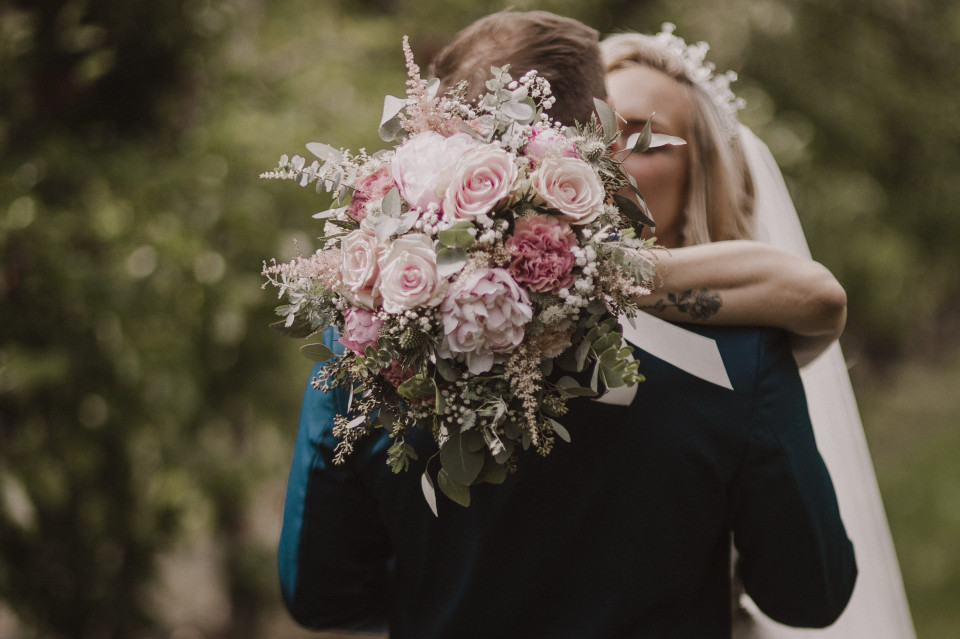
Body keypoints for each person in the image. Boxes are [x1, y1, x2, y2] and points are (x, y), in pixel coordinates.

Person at [278, 11, 857, 638]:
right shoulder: (738, 353)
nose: (621, 152)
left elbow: (321, 595)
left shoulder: (369, 340)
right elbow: (809, 594)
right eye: (612, 130)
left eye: (645, 137)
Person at [600, 27, 915, 638]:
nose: (607, 159)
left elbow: (817, 296)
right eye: (589, 132)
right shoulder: (470, 322)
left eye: (642, 139)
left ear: (700, 176)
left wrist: (586, 269)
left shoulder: (740, 355)